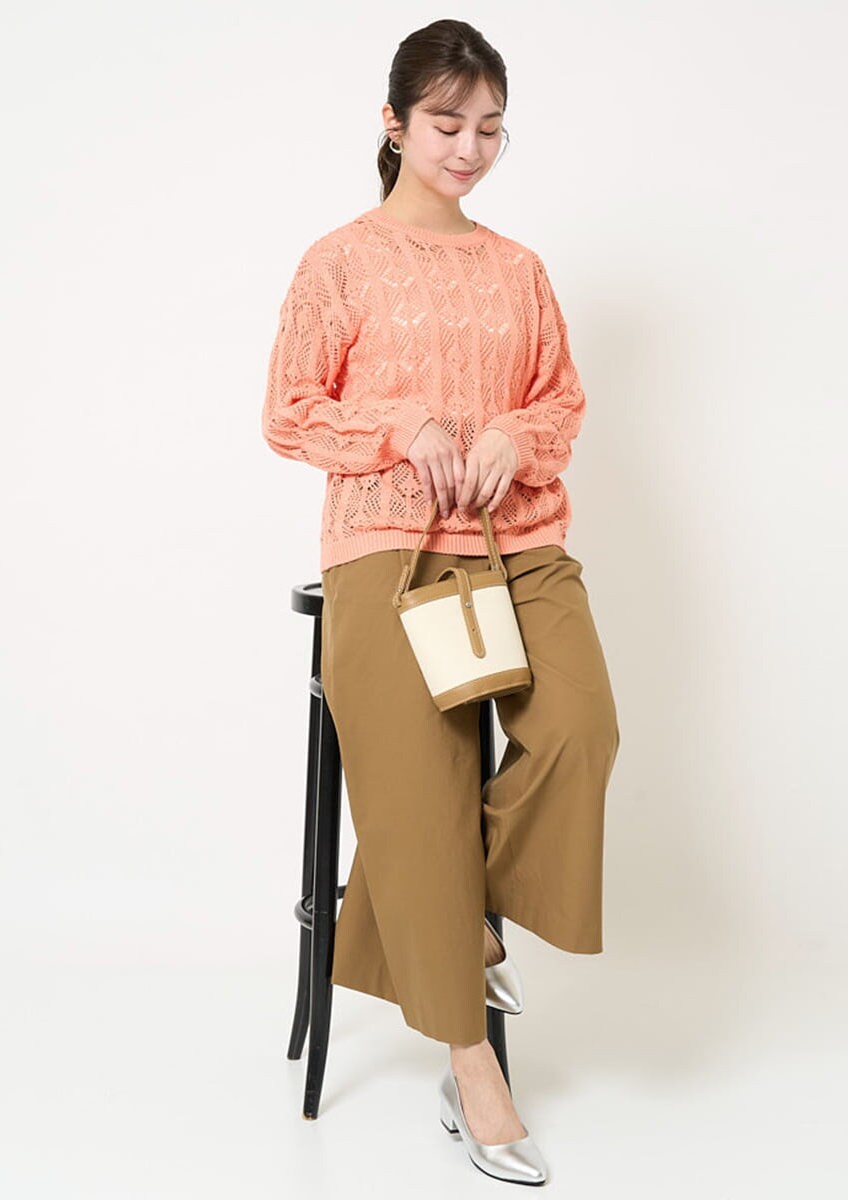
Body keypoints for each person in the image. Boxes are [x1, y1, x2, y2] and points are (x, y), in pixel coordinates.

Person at [261, 18, 620, 1186]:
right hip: (388, 546)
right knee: (416, 794)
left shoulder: (519, 269)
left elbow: (559, 400)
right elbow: (289, 410)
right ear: (394, 123)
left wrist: (512, 437)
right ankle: (474, 1077)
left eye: (489, 129)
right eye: (445, 124)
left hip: (517, 543)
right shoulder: (339, 261)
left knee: (579, 728)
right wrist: (400, 429)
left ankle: (443, 907)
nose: (468, 149)